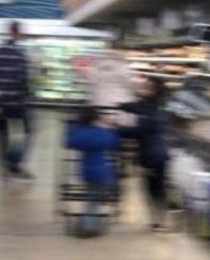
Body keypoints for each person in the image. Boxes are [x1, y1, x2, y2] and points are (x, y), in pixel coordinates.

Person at [119, 77, 171, 230]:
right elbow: (137, 107)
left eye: (147, 87)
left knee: (154, 188)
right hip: (156, 152)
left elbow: (140, 131)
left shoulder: (154, 111)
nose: (143, 89)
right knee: (154, 187)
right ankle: (158, 219)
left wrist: (117, 129)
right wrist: (122, 106)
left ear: (154, 90)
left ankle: (160, 220)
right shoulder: (152, 105)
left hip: (154, 154)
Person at [66, 107, 120, 237]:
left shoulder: (79, 133)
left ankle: (88, 222)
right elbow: (114, 141)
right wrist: (111, 127)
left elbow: (68, 141)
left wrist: (72, 127)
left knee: (93, 197)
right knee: (95, 199)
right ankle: (86, 225)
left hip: (85, 170)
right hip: (100, 172)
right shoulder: (100, 134)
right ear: (96, 119)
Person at [0, 20, 32, 179]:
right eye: (21, 32)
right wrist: (26, 91)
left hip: (2, 101)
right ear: (16, 32)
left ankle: (6, 165)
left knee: (5, 133)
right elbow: (22, 79)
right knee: (23, 133)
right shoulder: (19, 54)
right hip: (16, 102)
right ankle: (14, 165)